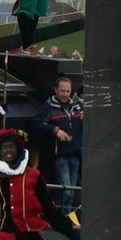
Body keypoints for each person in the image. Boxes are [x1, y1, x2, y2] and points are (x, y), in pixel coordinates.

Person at [31, 75, 84, 211]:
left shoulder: (77, 107)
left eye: (68, 91)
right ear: (56, 90)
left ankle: (65, 216)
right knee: (65, 190)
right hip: (59, 154)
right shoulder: (48, 108)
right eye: (62, 91)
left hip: (75, 152)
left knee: (71, 191)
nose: (66, 94)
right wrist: (55, 130)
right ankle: (62, 217)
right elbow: (36, 124)